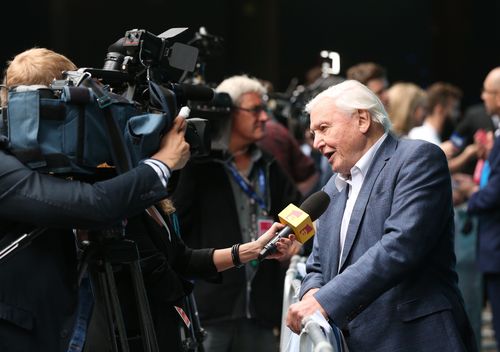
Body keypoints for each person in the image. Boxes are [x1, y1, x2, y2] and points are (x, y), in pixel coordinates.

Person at [0, 49, 295, 352]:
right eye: (69, 103)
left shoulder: (104, 180)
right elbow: (94, 206)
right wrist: (161, 164)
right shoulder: (12, 168)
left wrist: (249, 251)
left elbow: (177, 259)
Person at [285, 80, 476, 351]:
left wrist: (324, 301)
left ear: (362, 120)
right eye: (313, 133)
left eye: (324, 128)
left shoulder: (417, 158)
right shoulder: (333, 186)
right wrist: (312, 292)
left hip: (415, 340)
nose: (317, 142)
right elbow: (317, 264)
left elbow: (400, 246)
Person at [171, 75, 302, 352]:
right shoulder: (198, 166)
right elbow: (176, 226)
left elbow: (301, 212)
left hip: (262, 311)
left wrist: (298, 243)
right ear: (229, 112)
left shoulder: (267, 164)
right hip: (211, 309)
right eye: (255, 110)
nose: (265, 117)